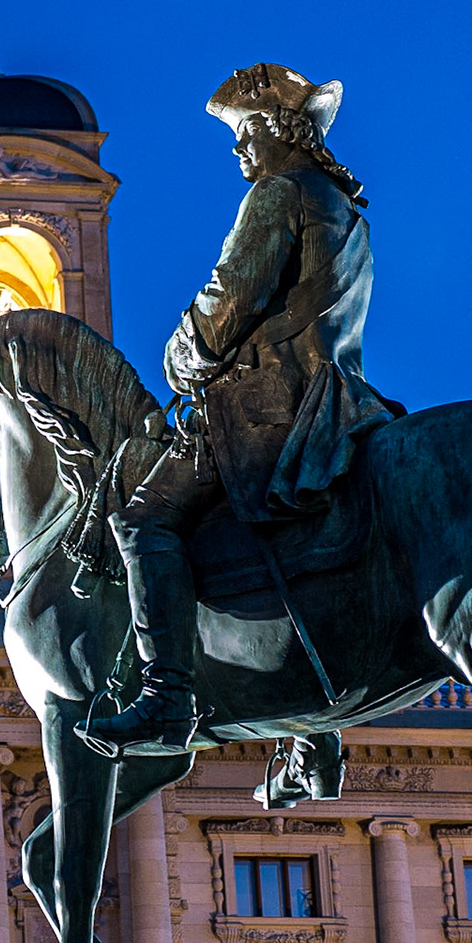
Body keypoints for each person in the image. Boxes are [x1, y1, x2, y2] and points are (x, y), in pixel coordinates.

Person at [76, 65, 395, 786]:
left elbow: (227, 303)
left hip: (267, 411)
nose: (237, 149)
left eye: (244, 130)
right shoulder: (346, 209)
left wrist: (180, 353)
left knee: (142, 519)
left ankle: (166, 699)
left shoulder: (278, 195)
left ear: (278, 129)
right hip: (340, 403)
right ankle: (313, 730)